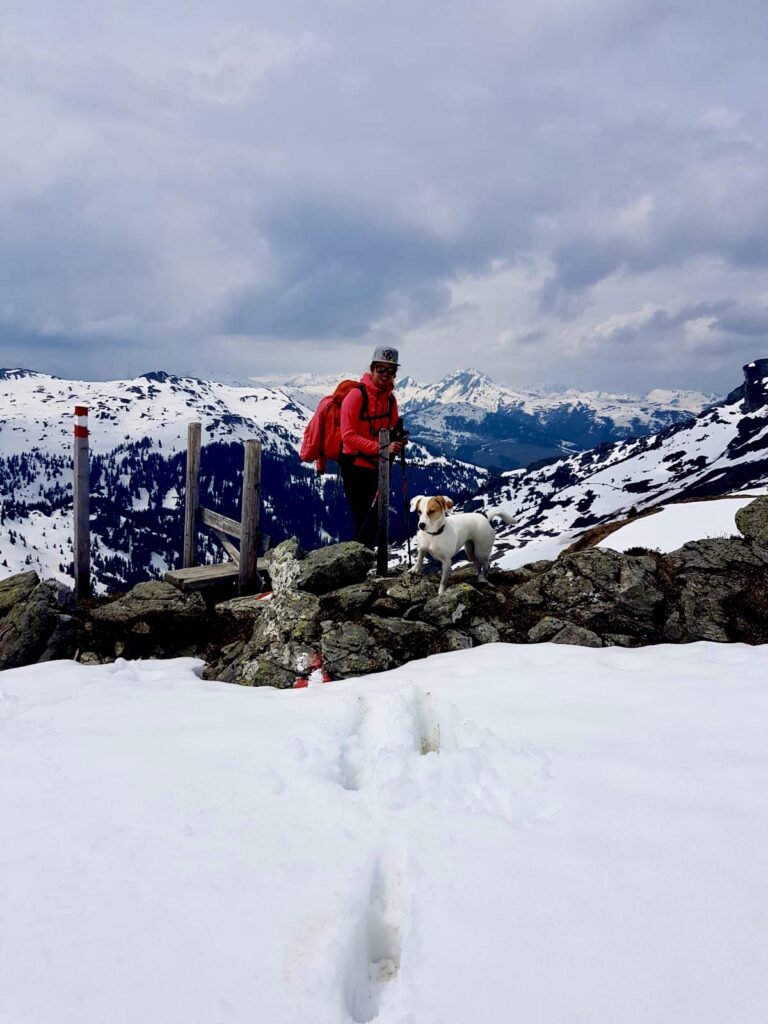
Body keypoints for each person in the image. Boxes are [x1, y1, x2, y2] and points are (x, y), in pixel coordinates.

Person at [339, 346, 407, 548]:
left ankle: (365, 564)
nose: (386, 375)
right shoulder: (356, 396)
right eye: (381, 369)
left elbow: (392, 427)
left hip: (380, 466)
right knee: (364, 520)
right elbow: (348, 436)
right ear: (372, 368)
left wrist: (399, 439)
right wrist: (382, 448)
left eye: (391, 371)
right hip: (355, 467)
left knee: (377, 520)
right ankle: (358, 566)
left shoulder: (390, 399)